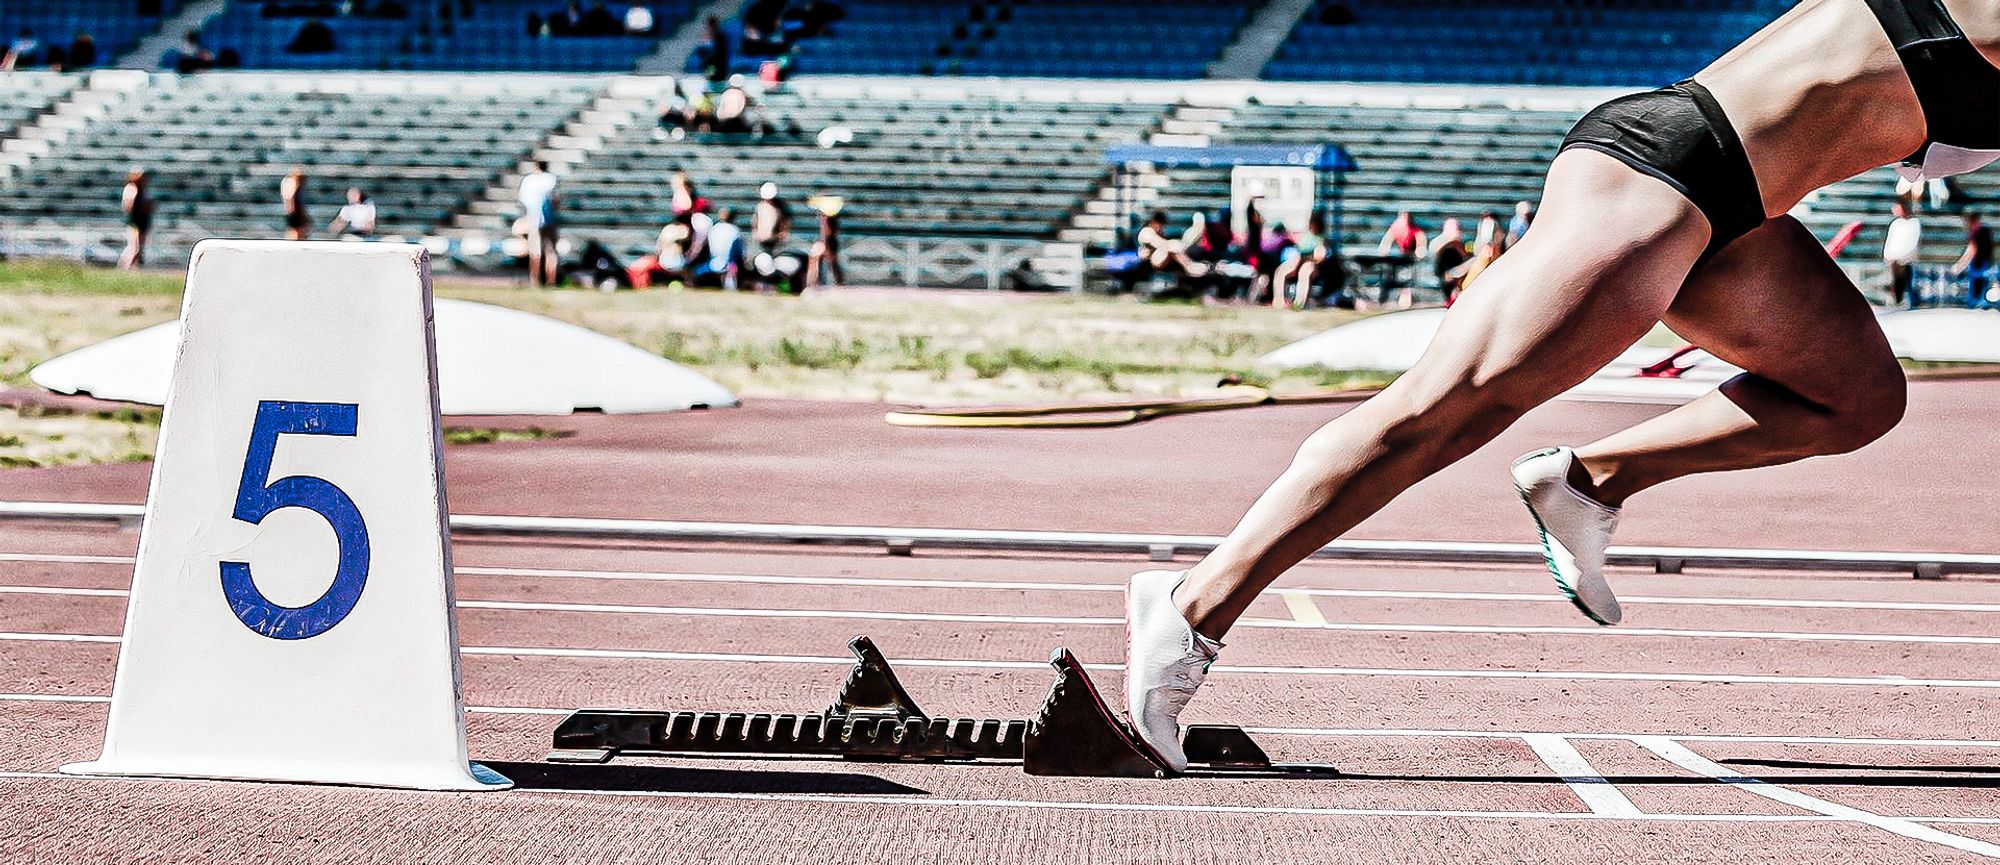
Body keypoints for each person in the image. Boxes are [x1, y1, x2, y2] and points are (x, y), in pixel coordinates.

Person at [1118, 0, 1962, 774]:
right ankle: (1191, 607)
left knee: (1857, 397)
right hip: (1668, 172)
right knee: (1438, 415)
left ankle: (1593, 480)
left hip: (1742, 214)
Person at [1270, 214, 1329, 310]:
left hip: (1312, 262)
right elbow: (1300, 252)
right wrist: (1297, 264)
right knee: (1280, 271)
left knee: (1304, 273)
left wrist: (1302, 263)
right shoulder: (1308, 236)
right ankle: (1278, 301)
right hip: (1300, 259)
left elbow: (1319, 256)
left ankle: (1299, 304)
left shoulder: (1321, 239)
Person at [518, 161, 561, 286]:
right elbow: (556, 200)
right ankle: (550, 281)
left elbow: (524, 200)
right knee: (551, 251)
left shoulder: (529, 180)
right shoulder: (551, 179)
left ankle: (534, 279)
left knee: (534, 250)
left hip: (534, 217)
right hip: (549, 219)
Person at [1137, 210, 1209, 280]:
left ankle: (1189, 265)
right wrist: (1179, 245)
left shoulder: (1158, 234)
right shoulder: (1146, 232)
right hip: (1151, 263)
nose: (1161, 228)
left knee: (1176, 247)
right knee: (1173, 246)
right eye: (1160, 225)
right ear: (1154, 222)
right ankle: (1189, 266)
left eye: (1162, 225)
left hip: (1165, 259)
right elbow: (1163, 245)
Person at [691, 207, 744, 289]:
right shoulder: (735, 231)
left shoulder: (713, 229)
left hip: (712, 264)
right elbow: (739, 253)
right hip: (728, 266)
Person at [1883, 201, 1922, 307]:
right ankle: (1897, 301)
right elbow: (1890, 240)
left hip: (1905, 260)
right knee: (1896, 282)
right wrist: (1887, 255)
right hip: (1894, 259)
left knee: (1907, 282)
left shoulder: (1913, 223)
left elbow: (1912, 241)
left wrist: (1904, 255)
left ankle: (1911, 302)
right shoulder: (1896, 223)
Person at [805, 195, 844, 289]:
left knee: (822, 262)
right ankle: (838, 283)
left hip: (828, 242)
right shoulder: (833, 217)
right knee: (832, 263)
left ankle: (813, 283)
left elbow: (826, 233)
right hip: (829, 241)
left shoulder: (827, 218)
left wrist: (825, 245)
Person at [119, 170, 155, 271]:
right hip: (135, 221)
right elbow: (129, 206)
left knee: (138, 248)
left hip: (143, 220)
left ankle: (133, 268)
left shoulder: (144, 190)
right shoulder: (131, 189)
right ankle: (125, 268)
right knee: (135, 248)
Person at [1956, 211, 1993, 308]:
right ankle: (1976, 301)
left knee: (1980, 281)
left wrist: (1961, 265)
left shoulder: (1981, 231)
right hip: (1978, 262)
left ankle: (1979, 301)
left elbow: (1973, 249)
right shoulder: (1976, 232)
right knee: (1976, 283)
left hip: (1981, 262)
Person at [1429, 216, 1470, 300]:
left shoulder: (1463, 244)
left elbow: (1466, 258)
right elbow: (1433, 251)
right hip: (1445, 276)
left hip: (1458, 274)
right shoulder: (1438, 244)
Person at [753, 181, 792, 253]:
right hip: (762, 239)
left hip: (775, 240)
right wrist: (756, 232)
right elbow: (756, 220)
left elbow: (786, 220)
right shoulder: (761, 206)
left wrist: (783, 232)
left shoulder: (780, 206)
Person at [280, 168, 310, 240]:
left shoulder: (294, 186)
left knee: (297, 229)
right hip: (295, 211)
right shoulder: (294, 186)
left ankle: (295, 240)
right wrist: (292, 210)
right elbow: (291, 198)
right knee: (297, 230)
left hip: (295, 211)